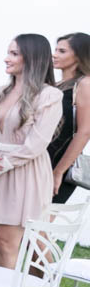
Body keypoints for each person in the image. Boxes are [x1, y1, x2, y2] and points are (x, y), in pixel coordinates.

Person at [0, 35, 63, 270]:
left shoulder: (49, 95)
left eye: (13, 54)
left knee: (7, 242)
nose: (6, 59)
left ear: (31, 58)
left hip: (22, 172)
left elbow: (36, 145)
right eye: (8, 52)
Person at [48, 32, 90, 203]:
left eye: (62, 51)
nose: (54, 54)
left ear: (79, 56)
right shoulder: (55, 85)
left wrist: (59, 172)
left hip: (60, 164)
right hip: (40, 162)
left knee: (38, 226)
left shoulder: (85, 84)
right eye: (55, 49)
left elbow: (85, 131)